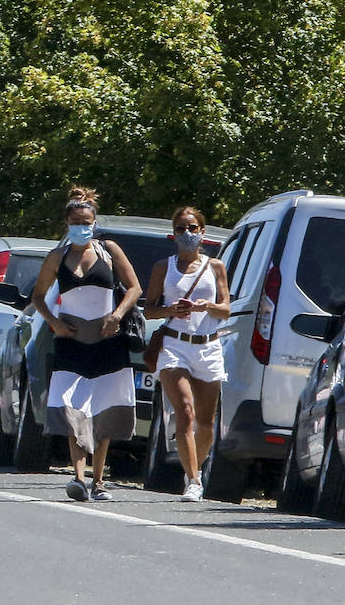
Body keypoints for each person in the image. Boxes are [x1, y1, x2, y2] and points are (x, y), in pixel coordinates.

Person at [30, 186, 142, 502]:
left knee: (103, 409)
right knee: (70, 407)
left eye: (87, 221)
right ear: (67, 224)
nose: (83, 226)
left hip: (108, 341)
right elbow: (38, 295)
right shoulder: (58, 257)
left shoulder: (109, 250)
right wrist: (54, 322)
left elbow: (134, 288)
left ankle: (98, 480)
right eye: (77, 221)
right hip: (72, 342)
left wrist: (117, 316)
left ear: (94, 222)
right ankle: (78, 478)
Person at [144, 206, 230, 502]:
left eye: (192, 228)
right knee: (185, 412)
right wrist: (171, 310)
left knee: (205, 422)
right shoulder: (162, 268)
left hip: (207, 345)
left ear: (202, 232)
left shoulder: (215, 267)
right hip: (174, 346)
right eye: (181, 229)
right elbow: (149, 308)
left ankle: (196, 466)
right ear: (174, 234)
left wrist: (207, 306)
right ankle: (193, 481)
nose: (187, 234)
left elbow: (226, 309)